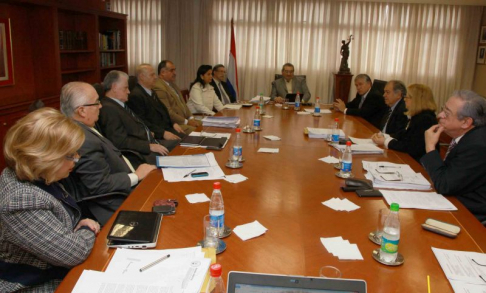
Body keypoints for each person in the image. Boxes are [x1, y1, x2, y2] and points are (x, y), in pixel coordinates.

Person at [0, 108, 99, 292]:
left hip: (57, 269)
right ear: (44, 156)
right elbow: (73, 253)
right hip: (37, 284)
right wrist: (88, 227)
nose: (77, 160)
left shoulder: (38, 174)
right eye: (70, 155)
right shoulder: (21, 200)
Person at [60, 81, 156, 225]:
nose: (100, 106)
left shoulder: (82, 127)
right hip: (118, 202)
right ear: (82, 111)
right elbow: (99, 184)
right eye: (96, 102)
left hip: (127, 186)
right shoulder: (82, 139)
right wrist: (136, 176)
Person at [421, 90, 486, 222]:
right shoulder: (469, 135)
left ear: (466, 122)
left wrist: (430, 148)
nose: (440, 115)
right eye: (442, 109)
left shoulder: (477, 145)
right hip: (456, 200)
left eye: (447, 113)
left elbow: (444, 185)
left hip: (471, 216)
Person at [98, 70, 175, 167]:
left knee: (182, 145)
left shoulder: (118, 105)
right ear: (114, 87)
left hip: (150, 142)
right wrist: (148, 146)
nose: (129, 92)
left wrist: (147, 133)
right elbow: (119, 141)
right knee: (180, 152)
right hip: (139, 154)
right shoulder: (108, 108)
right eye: (125, 88)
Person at [371, 84, 437, 162]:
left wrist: (385, 141)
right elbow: (404, 135)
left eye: (407, 97)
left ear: (416, 100)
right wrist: (384, 136)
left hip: (419, 164)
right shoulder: (418, 116)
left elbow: (410, 147)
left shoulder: (425, 119)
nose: (404, 99)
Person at [127, 63, 186, 141]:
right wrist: (162, 133)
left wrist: (173, 123)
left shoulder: (152, 92)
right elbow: (142, 122)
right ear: (142, 77)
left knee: (190, 140)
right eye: (152, 75)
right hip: (156, 135)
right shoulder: (136, 96)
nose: (155, 77)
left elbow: (163, 112)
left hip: (166, 129)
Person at [153, 60, 201, 134]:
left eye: (175, 70)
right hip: (176, 124)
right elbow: (168, 112)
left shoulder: (173, 84)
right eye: (171, 70)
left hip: (185, 120)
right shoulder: (159, 87)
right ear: (162, 72)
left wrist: (191, 118)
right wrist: (187, 122)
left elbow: (184, 105)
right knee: (199, 131)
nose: (175, 73)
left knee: (207, 126)